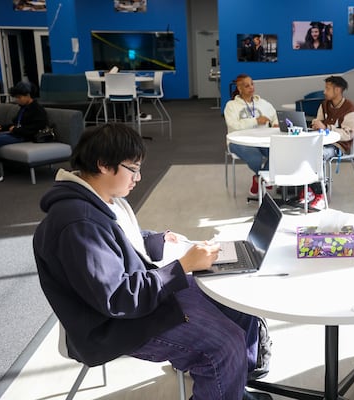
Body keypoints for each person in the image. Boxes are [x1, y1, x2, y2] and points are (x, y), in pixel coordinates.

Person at [33, 123, 270, 400]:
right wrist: (181, 267)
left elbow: (118, 240)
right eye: (132, 169)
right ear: (103, 165)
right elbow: (118, 298)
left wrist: (156, 240)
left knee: (236, 304)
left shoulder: (97, 198)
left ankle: (233, 385)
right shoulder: (79, 223)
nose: (138, 177)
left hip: (141, 301)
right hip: (116, 326)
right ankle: (225, 375)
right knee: (224, 344)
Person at [306, 75, 354, 209]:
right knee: (303, 152)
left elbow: (348, 134)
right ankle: (308, 189)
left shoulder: (350, 108)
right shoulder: (324, 105)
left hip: (338, 145)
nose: (324, 91)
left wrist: (327, 127)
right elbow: (318, 121)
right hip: (320, 141)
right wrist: (315, 124)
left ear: (338, 90)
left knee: (318, 155)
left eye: (327, 88)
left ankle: (320, 194)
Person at [224, 74, 279, 197]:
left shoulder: (263, 103)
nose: (251, 87)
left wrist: (275, 124)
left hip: (262, 140)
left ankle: (259, 178)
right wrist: (255, 121)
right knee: (256, 158)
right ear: (239, 88)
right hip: (238, 142)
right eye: (247, 85)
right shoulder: (231, 106)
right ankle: (265, 177)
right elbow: (233, 125)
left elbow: (275, 116)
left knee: (279, 152)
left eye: (252, 84)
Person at [0, 81, 48, 183]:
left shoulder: (37, 110)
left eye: (19, 97)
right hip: (17, 134)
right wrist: (2, 127)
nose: (17, 100)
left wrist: (16, 130)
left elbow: (35, 128)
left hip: (25, 136)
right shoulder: (24, 108)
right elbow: (16, 123)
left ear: (28, 95)